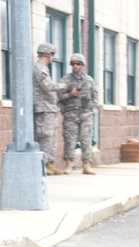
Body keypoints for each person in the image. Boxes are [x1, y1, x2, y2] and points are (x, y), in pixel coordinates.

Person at [57, 53, 100, 175]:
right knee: (69, 140)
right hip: (70, 114)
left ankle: (86, 165)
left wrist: (93, 112)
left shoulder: (89, 80)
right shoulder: (66, 80)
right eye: (73, 64)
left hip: (86, 114)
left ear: (83, 65)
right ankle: (69, 164)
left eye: (78, 64)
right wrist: (71, 94)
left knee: (86, 140)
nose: (75, 66)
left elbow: (95, 97)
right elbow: (59, 96)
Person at [33, 42, 69, 176]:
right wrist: (64, 86)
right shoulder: (39, 68)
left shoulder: (44, 68)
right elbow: (47, 85)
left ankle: (49, 163)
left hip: (50, 108)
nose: (53, 57)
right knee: (46, 136)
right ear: (47, 54)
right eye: (52, 54)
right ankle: (43, 164)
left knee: (52, 137)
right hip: (43, 108)